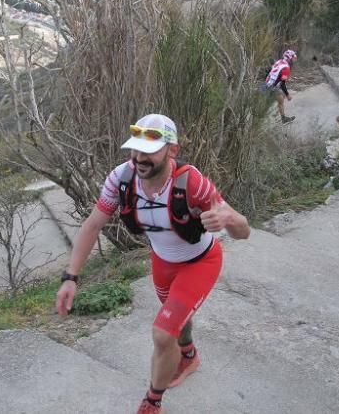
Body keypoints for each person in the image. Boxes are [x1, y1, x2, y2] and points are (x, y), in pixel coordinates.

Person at [55, 114, 251, 414]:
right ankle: (189, 356)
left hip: (200, 262)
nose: (138, 158)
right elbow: (93, 225)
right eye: (135, 149)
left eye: (149, 151)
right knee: (176, 321)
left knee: (162, 333)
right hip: (162, 262)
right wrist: (71, 277)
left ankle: (152, 402)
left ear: (172, 150)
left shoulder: (192, 181)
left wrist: (228, 219)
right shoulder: (121, 178)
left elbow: (244, 231)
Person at [263, 49, 297, 124]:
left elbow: (270, 71)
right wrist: (288, 95)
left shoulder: (279, 61)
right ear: (290, 58)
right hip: (272, 86)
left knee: (278, 99)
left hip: (267, 83)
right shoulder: (286, 68)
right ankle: (283, 119)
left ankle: (281, 117)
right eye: (294, 57)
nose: (295, 59)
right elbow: (282, 84)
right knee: (278, 101)